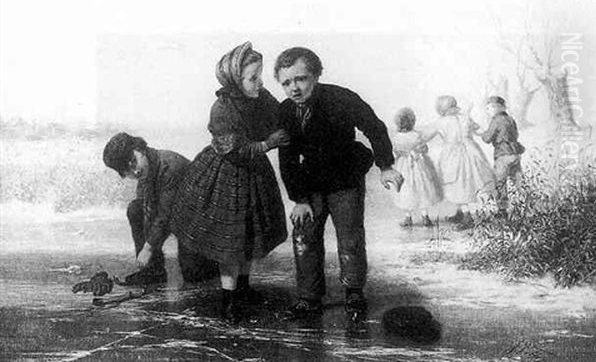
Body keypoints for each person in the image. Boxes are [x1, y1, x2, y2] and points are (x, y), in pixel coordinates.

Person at [275, 47, 403, 321]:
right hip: (309, 185)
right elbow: (286, 158)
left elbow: (375, 127)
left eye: (301, 79)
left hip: (345, 179)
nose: (294, 88)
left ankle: (354, 293)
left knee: (350, 237)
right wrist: (298, 199)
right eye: (286, 83)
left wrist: (386, 166)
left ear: (316, 75)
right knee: (304, 237)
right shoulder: (285, 112)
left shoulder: (341, 98)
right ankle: (309, 298)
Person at [171, 42, 289, 324]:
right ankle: (228, 301)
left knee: (249, 237)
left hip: (254, 176)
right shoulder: (221, 108)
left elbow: (278, 116)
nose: (259, 82)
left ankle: (244, 289)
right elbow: (235, 151)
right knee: (231, 243)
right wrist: (269, 143)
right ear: (236, 79)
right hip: (226, 176)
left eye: (260, 76)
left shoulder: (260, 96)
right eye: (253, 78)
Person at [103, 132, 219, 286]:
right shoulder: (145, 170)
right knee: (135, 209)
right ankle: (152, 272)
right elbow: (148, 211)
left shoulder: (170, 166)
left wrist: (148, 249)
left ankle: (216, 262)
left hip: (199, 220)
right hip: (176, 216)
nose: (135, 172)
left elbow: (166, 215)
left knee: (194, 274)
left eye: (133, 161)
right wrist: (148, 252)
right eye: (127, 171)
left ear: (140, 149)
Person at [421, 95, 495, 228]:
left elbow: (425, 136)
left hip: (453, 154)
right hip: (471, 151)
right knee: (467, 183)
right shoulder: (465, 118)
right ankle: (460, 212)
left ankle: (468, 216)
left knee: (457, 184)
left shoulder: (441, 122)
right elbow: (479, 131)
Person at [392, 108, 443, 227]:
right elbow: (425, 149)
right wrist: (417, 151)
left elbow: (395, 152)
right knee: (422, 190)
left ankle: (408, 218)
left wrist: (402, 153)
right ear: (412, 122)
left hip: (403, 167)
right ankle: (425, 217)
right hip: (418, 165)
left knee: (406, 190)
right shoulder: (416, 135)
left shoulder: (397, 137)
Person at [477, 96, 525, 215]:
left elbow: (488, 138)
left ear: (500, 107)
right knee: (519, 181)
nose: (489, 110)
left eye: (491, 107)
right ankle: (529, 206)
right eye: (488, 108)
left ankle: (502, 211)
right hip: (514, 154)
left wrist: (481, 133)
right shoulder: (510, 119)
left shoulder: (496, 120)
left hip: (502, 155)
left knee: (500, 183)